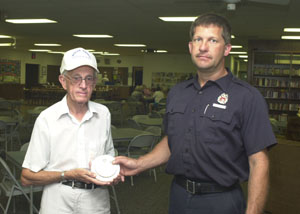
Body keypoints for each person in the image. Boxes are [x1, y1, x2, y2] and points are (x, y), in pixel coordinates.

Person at [114, 13, 277, 214]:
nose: (203, 47)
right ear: (190, 47)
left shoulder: (247, 97)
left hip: (222, 200)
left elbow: (259, 162)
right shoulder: (177, 93)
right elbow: (172, 142)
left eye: (213, 40)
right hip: (179, 196)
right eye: (198, 39)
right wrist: (139, 164)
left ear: (227, 49)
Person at [21, 47, 119, 214]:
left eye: (89, 79)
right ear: (63, 81)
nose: (83, 85)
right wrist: (67, 174)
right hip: (58, 201)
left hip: (96, 201)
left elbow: (108, 157)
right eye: (76, 78)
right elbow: (27, 177)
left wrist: (112, 172)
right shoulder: (47, 118)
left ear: (95, 83)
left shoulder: (103, 114)